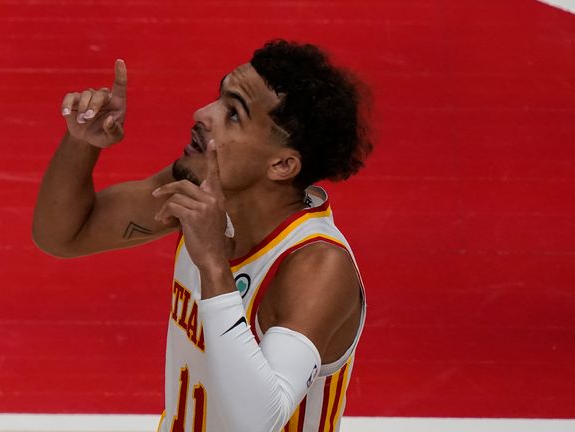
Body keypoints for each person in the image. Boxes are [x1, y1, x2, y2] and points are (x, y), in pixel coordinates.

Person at [32, 40, 372, 432]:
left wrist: (212, 263)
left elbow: (257, 421)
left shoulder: (317, 267)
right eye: (218, 98)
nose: (202, 113)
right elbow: (62, 235)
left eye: (232, 114)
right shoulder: (204, 191)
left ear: (281, 164)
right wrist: (82, 142)